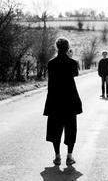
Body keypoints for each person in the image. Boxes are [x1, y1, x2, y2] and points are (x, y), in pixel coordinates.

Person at [43, 37, 82, 166]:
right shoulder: (72, 63)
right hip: (70, 100)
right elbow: (75, 74)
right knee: (71, 129)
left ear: (57, 47)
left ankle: (57, 156)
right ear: (67, 48)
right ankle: (69, 157)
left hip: (55, 100)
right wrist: (70, 57)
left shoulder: (51, 63)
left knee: (55, 129)